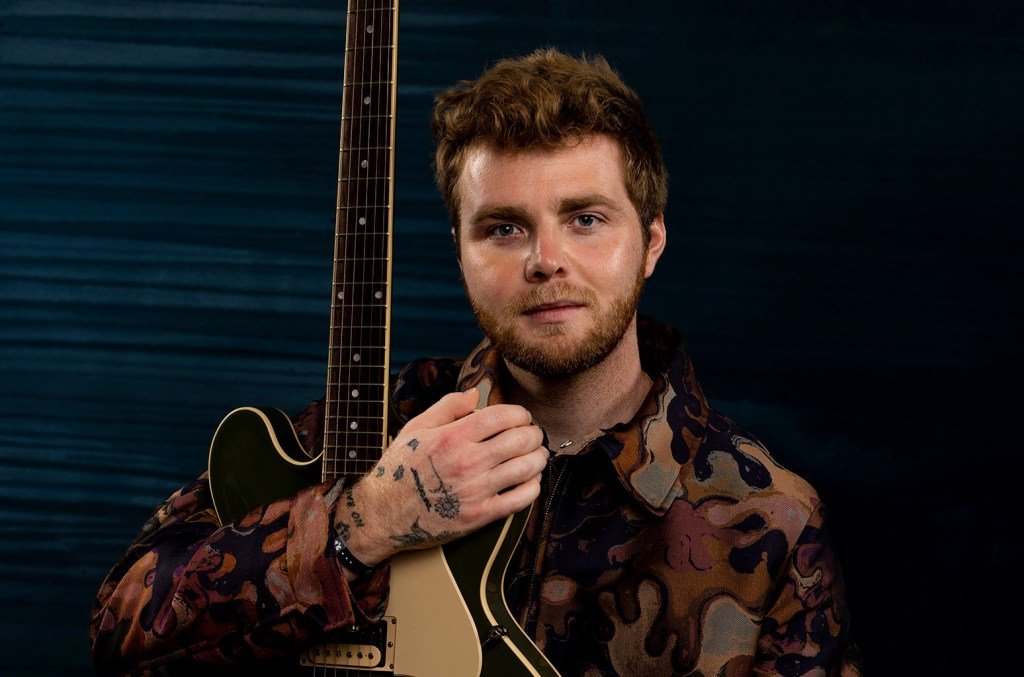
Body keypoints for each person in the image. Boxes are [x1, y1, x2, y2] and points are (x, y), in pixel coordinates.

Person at [91, 49, 861, 675]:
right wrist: (365, 521)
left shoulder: (771, 522)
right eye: (502, 228)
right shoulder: (374, 428)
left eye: (585, 219)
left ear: (651, 241)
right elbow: (119, 631)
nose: (545, 260)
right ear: (460, 253)